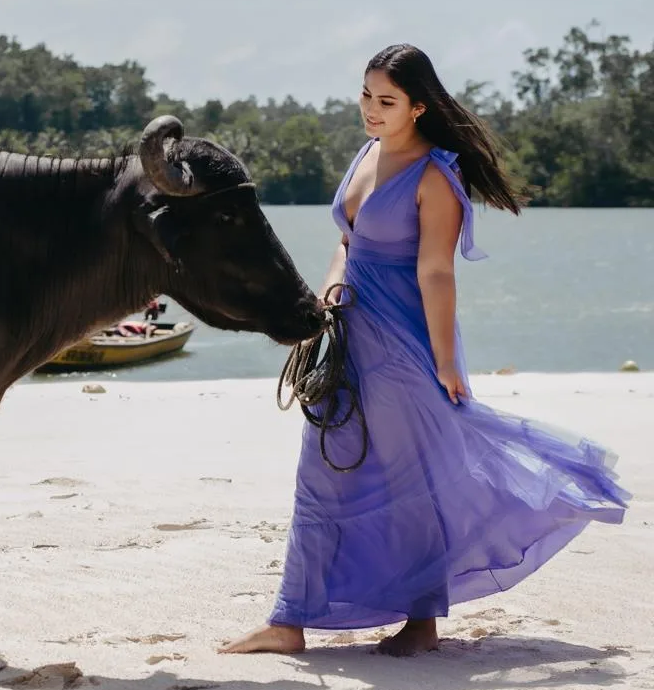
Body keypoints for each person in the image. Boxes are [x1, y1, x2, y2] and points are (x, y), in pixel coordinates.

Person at [222, 44, 630, 657]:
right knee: (322, 473)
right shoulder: (367, 153)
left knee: (411, 482)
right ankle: (290, 619)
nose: (371, 109)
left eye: (386, 100)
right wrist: (330, 290)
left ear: (418, 106)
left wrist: (443, 364)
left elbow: (437, 274)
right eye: (365, 95)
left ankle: (421, 619)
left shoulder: (436, 175)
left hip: (403, 346)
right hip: (347, 338)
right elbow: (348, 239)